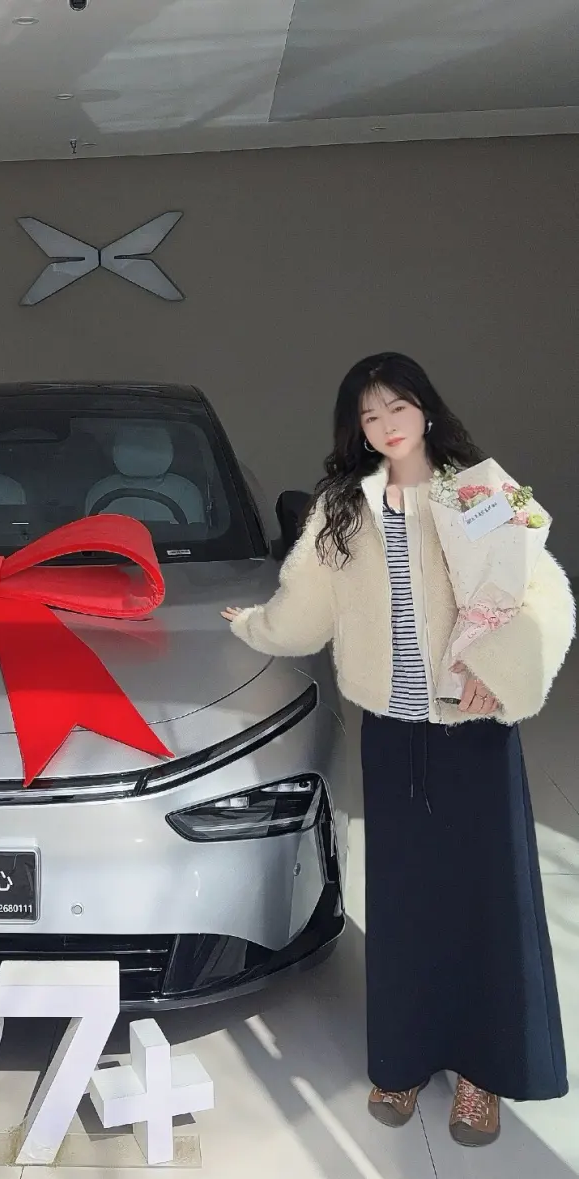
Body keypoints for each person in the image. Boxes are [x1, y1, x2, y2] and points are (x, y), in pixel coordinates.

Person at [222, 353, 573, 1147]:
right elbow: (305, 604)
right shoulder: (343, 506)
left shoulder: (477, 487)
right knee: (405, 899)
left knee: (485, 899)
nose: (386, 425)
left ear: (425, 408)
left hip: (474, 728)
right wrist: (254, 626)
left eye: (398, 407)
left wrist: (499, 666)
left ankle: (483, 1072)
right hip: (393, 730)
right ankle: (404, 1058)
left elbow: (541, 589)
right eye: (370, 415)